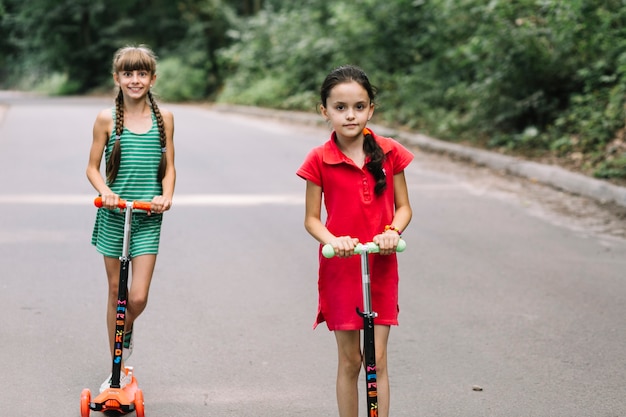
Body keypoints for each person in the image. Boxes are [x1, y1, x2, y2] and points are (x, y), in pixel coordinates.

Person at [296, 65, 413, 417]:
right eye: (341, 107)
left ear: (371, 109)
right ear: (325, 111)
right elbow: (311, 219)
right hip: (341, 267)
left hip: (380, 262)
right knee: (351, 360)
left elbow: (404, 208)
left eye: (359, 107)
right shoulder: (319, 159)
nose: (350, 115)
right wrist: (335, 240)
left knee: (376, 359)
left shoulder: (390, 152)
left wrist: (392, 232)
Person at [86, 45, 176, 392]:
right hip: (113, 215)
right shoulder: (106, 118)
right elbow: (92, 168)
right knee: (115, 293)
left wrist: (165, 196)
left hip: (147, 217)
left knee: (136, 298)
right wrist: (106, 192)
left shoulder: (164, 118)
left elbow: (168, 168)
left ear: (152, 78)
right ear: (117, 78)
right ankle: (116, 367)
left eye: (141, 74)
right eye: (128, 73)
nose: (135, 80)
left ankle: (124, 329)